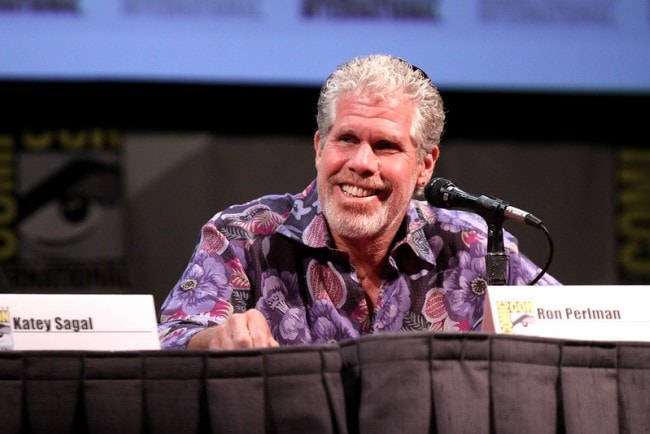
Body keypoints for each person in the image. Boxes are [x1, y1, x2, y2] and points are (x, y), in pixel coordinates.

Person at [157, 54, 560, 350]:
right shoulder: (242, 236)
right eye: (347, 139)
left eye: (385, 146)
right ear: (320, 148)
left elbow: (583, 325)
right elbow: (168, 341)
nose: (361, 163)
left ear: (424, 166)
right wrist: (215, 339)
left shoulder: (473, 246)